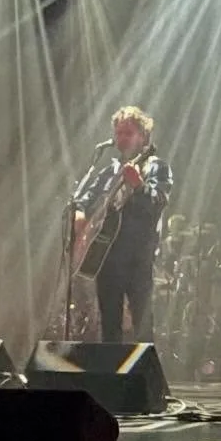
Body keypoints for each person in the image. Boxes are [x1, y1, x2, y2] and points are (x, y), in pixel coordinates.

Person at [73, 105, 173, 343]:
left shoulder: (156, 167)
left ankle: (144, 367)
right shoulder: (109, 171)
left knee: (142, 328)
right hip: (107, 257)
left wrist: (139, 186)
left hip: (139, 257)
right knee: (109, 329)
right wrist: (79, 215)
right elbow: (84, 199)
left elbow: (158, 202)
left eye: (128, 133)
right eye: (118, 133)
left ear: (143, 137)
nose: (122, 138)